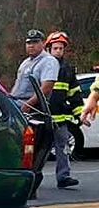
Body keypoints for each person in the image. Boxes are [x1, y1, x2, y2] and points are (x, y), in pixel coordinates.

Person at [12, 29, 61, 198]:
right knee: (21, 152)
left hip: (36, 112)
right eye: (28, 43)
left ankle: (30, 189)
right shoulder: (26, 62)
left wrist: (27, 105)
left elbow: (46, 88)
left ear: (42, 44)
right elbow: (17, 87)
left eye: (34, 43)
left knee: (33, 154)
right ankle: (22, 187)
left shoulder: (49, 61)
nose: (30, 46)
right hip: (20, 108)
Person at [45, 31, 82, 189]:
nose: (59, 51)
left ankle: (63, 177)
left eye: (61, 48)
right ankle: (30, 178)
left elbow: (75, 94)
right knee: (37, 150)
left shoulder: (67, 70)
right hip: (42, 116)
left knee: (63, 148)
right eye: (55, 48)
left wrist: (80, 113)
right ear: (48, 49)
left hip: (60, 118)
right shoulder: (43, 65)